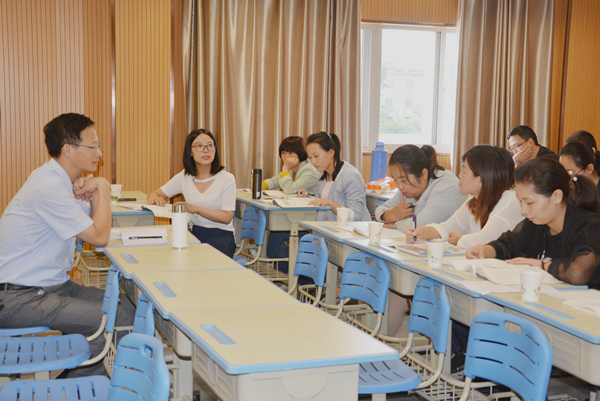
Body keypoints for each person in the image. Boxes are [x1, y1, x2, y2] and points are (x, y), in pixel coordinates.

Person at [0, 113, 135, 378]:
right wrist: (103, 186)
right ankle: (72, 386)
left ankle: (77, 376)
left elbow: (92, 225)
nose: (100, 153)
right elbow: (99, 237)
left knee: (127, 306)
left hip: (51, 287)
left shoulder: (58, 182)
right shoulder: (49, 187)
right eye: (93, 146)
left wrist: (93, 191)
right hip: (20, 298)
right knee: (119, 318)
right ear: (68, 149)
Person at [466, 158, 600, 289]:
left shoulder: (590, 227)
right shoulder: (536, 223)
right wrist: (485, 250)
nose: (524, 211)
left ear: (556, 196)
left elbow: (577, 273)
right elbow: (511, 245)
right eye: (520, 201)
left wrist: (542, 264)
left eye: (530, 203)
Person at [405, 145, 523, 248]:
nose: (460, 175)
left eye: (464, 171)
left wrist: (460, 238)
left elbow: (485, 242)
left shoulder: (510, 202)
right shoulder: (474, 200)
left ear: (481, 179)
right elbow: (447, 228)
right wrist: (422, 231)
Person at [148, 129, 237, 257]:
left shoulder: (227, 178)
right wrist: (156, 199)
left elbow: (227, 217)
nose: (206, 150)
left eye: (210, 145)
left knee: (202, 262)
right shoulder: (184, 177)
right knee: (171, 256)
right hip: (194, 233)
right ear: (190, 152)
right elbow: (153, 194)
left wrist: (196, 209)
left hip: (221, 235)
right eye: (199, 146)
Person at [375, 145, 466, 231]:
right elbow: (380, 209)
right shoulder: (407, 188)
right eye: (395, 179)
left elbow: (421, 225)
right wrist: (391, 215)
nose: (399, 186)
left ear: (423, 174)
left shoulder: (446, 185)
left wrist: (396, 224)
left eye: (403, 180)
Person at [300, 132, 370, 221]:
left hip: (352, 228)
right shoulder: (324, 173)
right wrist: (310, 198)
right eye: (310, 157)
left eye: (316, 156)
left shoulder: (351, 176)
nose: (313, 161)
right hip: (329, 227)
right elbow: (325, 200)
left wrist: (330, 203)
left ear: (331, 152)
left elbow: (355, 216)